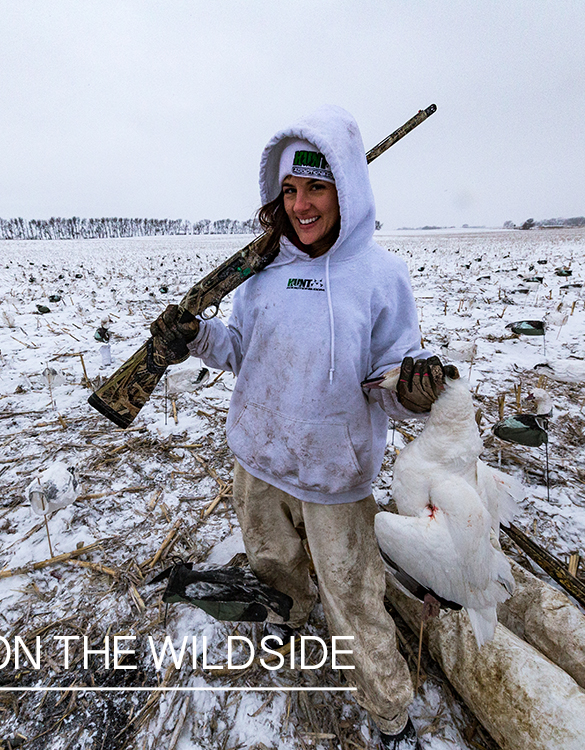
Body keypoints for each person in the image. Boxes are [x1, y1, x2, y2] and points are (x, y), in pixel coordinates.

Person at [152, 105, 454, 750]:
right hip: (257, 458)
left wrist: (411, 391)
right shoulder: (260, 274)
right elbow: (241, 351)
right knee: (272, 564)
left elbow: (389, 379)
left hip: (333, 475)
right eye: (289, 190)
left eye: (316, 186)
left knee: (355, 601)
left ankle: (390, 713)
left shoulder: (381, 277)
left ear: (346, 190)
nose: (300, 204)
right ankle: (287, 618)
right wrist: (196, 337)